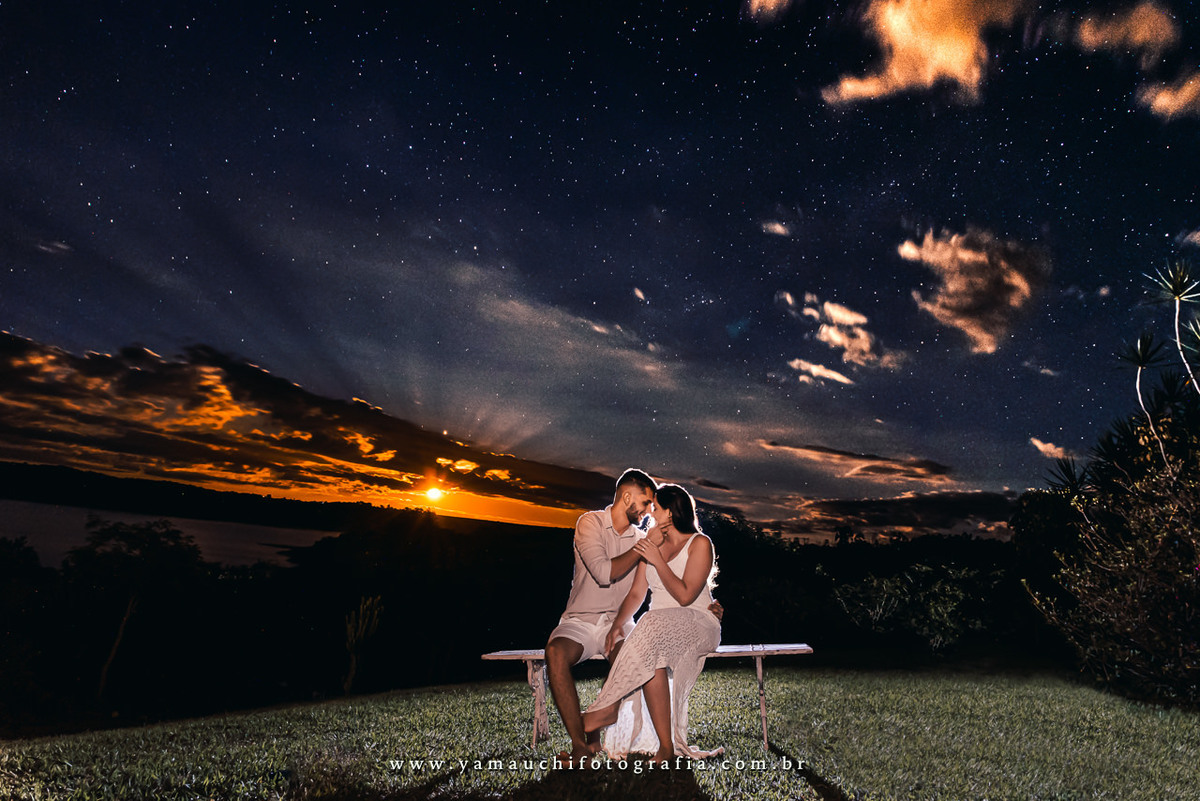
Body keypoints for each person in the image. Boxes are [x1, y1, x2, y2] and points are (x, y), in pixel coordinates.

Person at [580, 483, 722, 761]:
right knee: (651, 652)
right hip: (659, 628)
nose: (649, 513)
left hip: (699, 622)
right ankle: (665, 747)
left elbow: (684, 596)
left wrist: (657, 559)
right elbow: (636, 593)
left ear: (669, 512)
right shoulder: (650, 543)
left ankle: (608, 705)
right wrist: (617, 625)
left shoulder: (700, 543)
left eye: (654, 508)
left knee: (652, 623)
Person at [545, 468, 659, 762]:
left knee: (636, 658)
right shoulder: (590, 522)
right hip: (580, 621)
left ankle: (595, 719)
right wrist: (642, 547)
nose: (649, 511)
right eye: (646, 503)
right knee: (555, 653)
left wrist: (705, 601)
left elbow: (652, 586)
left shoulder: (642, 537)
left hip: (619, 624)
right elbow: (603, 572)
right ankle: (580, 746)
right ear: (626, 497)